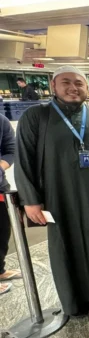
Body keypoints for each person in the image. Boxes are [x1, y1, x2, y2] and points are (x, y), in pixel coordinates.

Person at [15, 65, 89, 316]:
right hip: (57, 196)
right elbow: (24, 160)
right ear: (54, 86)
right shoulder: (36, 117)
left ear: (87, 88)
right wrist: (31, 200)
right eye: (66, 82)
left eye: (79, 83)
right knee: (65, 244)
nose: (73, 88)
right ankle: (75, 301)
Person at [0, 113, 19, 295]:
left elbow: (10, 149)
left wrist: (1, 166)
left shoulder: (1, 121)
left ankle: (0, 270)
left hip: (0, 187)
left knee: (2, 231)